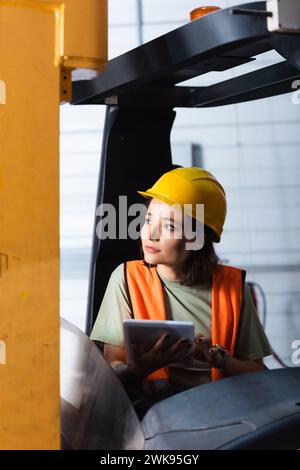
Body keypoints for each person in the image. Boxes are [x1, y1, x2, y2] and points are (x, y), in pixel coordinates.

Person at [90, 167, 272, 418]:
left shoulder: (232, 286)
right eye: (148, 220)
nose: (150, 234)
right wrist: (139, 369)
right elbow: (110, 375)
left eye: (169, 226)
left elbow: (259, 376)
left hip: (224, 418)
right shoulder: (126, 279)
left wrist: (219, 359)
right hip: (154, 418)